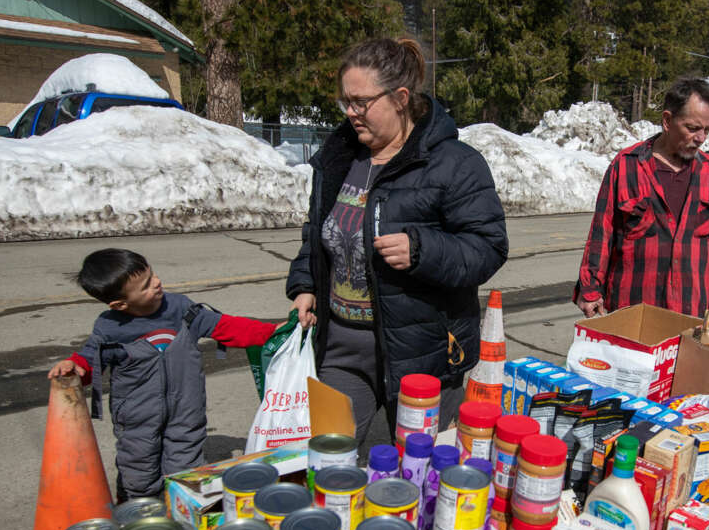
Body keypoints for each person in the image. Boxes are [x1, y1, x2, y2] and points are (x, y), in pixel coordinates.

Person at [286, 38, 508, 445]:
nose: (351, 113)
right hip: (340, 350)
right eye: (345, 102)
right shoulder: (340, 159)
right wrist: (305, 284)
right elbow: (318, 230)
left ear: (400, 98)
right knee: (325, 463)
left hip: (419, 354)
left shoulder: (454, 163)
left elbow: (488, 246)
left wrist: (422, 249)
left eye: (361, 102)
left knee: (413, 474)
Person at [49, 248, 278, 500]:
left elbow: (226, 326)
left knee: (186, 471)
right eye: (146, 285)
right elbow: (90, 359)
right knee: (138, 472)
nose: (156, 283)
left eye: (152, 274)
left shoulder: (180, 310)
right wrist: (74, 368)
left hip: (186, 412)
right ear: (120, 304)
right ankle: (139, 514)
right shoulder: (110, 328)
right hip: (136, 418)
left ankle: (185, 513)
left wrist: (273, 331)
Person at [573, 76, 709, 318]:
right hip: (631, 313)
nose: (701, 138)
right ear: (667, 120)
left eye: (707, 129)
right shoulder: (626, 166)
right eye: (692, 128)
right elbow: (602, 233)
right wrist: (590, 288)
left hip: (689, 314)